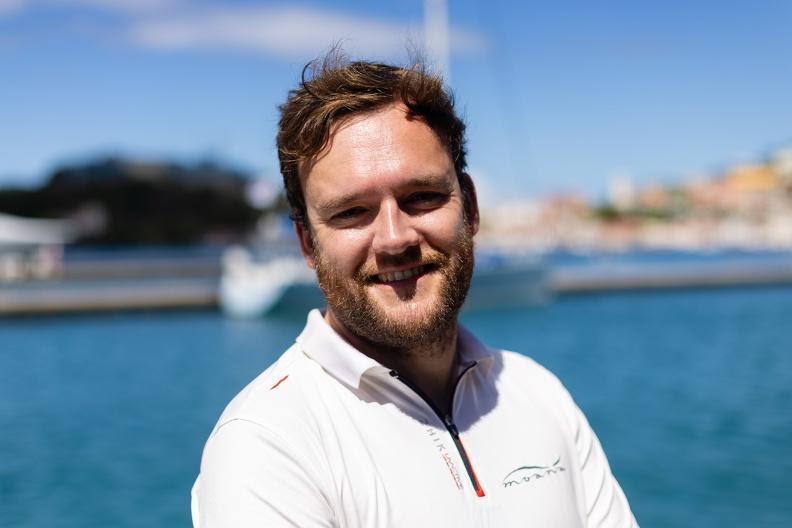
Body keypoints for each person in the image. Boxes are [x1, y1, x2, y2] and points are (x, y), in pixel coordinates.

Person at [191, 54, 638, 527]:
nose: (394, 238)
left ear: (469, 209)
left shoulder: (538, 394)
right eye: (351, 212)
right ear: (307, 243)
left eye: (421, 197)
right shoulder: (267, 444)